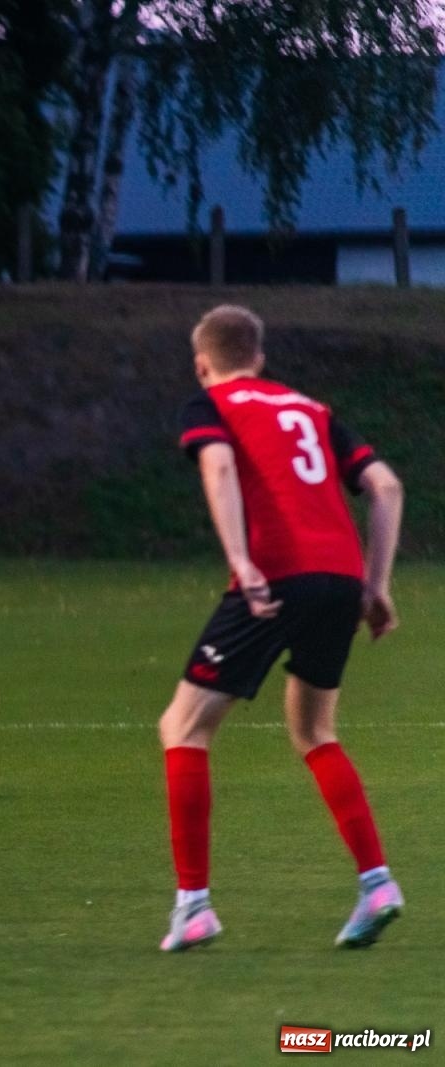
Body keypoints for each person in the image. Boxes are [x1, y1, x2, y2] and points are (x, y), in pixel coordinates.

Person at [158, 305, 404, 952]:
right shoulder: (313, 410)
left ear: (202, 364)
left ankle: (194, 906)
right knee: (313, 727)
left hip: (277, 574)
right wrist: (375, 584)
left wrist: (241, 558)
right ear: (260, 357)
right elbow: (385, 485)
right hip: (340, 578)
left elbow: (217, 467)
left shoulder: (208, 403)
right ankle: (376, 882)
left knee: (183, 726)